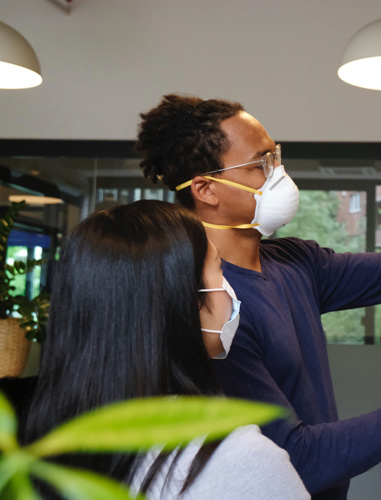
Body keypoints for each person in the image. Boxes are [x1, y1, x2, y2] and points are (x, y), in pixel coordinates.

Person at [134, 94, 381, 499]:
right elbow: (295, 459)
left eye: (276, 157)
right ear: (206, 189)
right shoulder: (214, 309)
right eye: (260, 165)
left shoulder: (293, 261)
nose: (278, 175)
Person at [23, 200, 309, 500]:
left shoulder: (35, 448)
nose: (229, 288)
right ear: (183, 298)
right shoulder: (238, 460)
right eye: (219, 268)